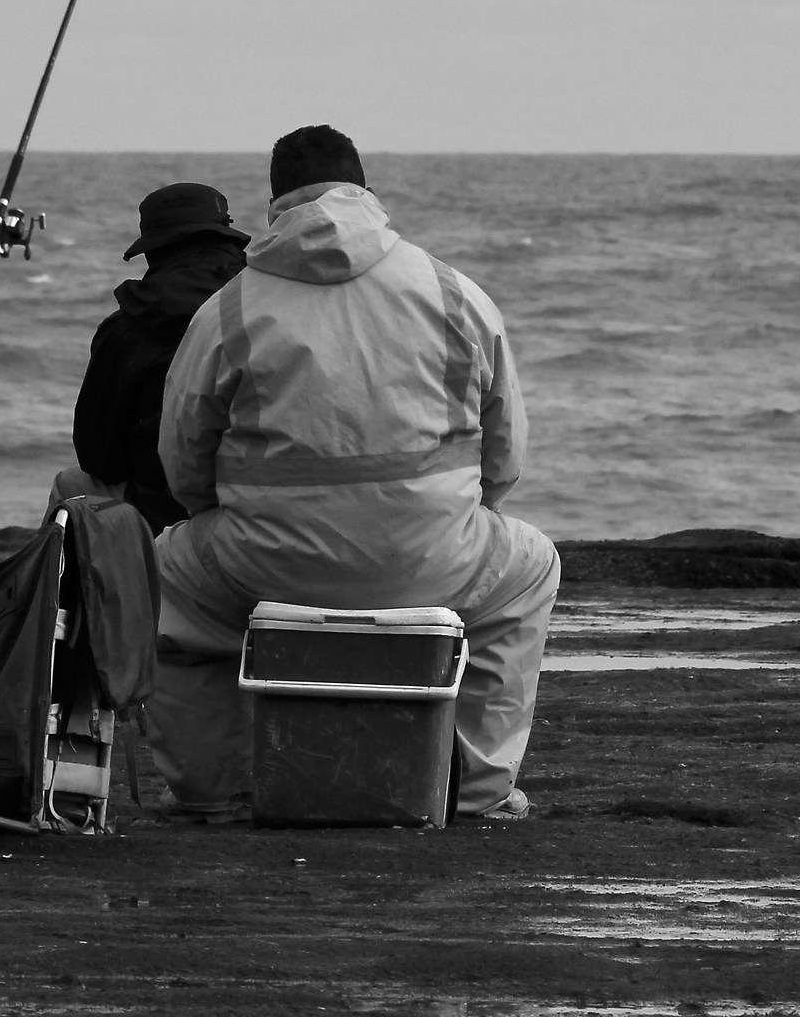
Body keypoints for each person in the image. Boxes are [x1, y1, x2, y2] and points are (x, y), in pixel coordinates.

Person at [146, 125, 559, 821]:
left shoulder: (231, 307)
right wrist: (448, 515)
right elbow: (505, 457)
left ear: (274, 204)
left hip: (266, 565)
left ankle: (210, 790)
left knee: (165, 576)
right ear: (367, 191)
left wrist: (232, 517)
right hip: (431, 556)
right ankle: (482, 792)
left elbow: (182, 464)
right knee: (533, 569)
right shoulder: (455, 293)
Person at [54, 183, 248, 531]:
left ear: (154, 250)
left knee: (71, 484)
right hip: (268, 507)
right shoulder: (270, 304)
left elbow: (98, 458)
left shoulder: (128, 329)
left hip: (169, 518)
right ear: (226, 236)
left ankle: (80, 585)